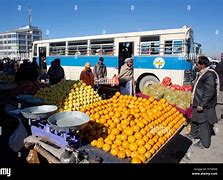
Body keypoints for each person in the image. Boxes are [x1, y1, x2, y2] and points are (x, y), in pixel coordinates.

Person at [187, 56, 220, 149]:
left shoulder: (209, 74)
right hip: (197, 101)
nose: (195, 66)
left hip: (204, 104)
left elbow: (210, 91)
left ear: (202, 65)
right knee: (195, 120)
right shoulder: (202, 73)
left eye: (197, 64)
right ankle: (193, 134)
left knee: (203, 123)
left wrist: (202, 104)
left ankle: (204, 143)